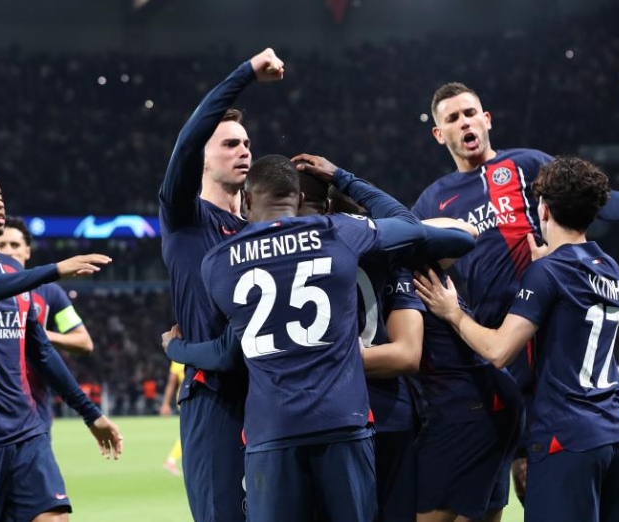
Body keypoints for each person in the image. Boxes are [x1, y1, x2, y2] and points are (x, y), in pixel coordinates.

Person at [413, 81, 619, 517]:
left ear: (487, 119)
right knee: (524, 475)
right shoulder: (433, 200)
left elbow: (588, 193)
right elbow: (413, 251)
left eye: (470, 113)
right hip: (502, 353)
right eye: (453, 119)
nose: (465, 123)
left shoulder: (525, 164)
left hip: (558, 332)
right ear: (439, 134)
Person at [199, 154, 474, 522]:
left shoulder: (218, 261)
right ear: (300, 200)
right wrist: (344, 177)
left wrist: (176, 347)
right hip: (346, 418)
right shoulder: (340, 232)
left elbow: (227, 350)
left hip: (272, 429)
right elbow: (432, 231)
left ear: (247, 200)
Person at [414, 156, 619, 522]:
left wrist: (453, 313)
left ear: (544, 210)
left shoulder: (547, 272)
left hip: (567, 438)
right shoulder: (610, 268)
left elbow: (499, 351)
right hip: (618, 437)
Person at [0, 169, 123, 522]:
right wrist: (52, 271)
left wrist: (91, 413)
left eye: (0, 196)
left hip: (27, 434)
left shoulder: (12, 270)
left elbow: (40, 351)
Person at [158, 46, 284, 522]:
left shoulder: (259, 231)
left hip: (270, 396)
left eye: (246, 143)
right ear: (202, 159)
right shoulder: (185, 217)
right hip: (214, 399)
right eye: (229, 144)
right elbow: (187, 139)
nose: (244, 150)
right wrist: (247, 72)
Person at [0, 216, 95, 428]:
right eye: (1, 245)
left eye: (15, 245)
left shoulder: (49, 293)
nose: (9, 251)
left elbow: (84, 342)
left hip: (35, 412)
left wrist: (38, 333)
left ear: (27, 251)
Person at [160, 359, 185, 476]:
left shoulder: (179, 358)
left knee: (193, 430)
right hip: (186, 398)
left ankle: (171, 460)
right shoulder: (179, 359)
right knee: (192, 430)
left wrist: (166, 403)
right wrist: (165, 404)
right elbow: (171, 382)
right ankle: (171, 460)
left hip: (187, 397)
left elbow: (171, 382)